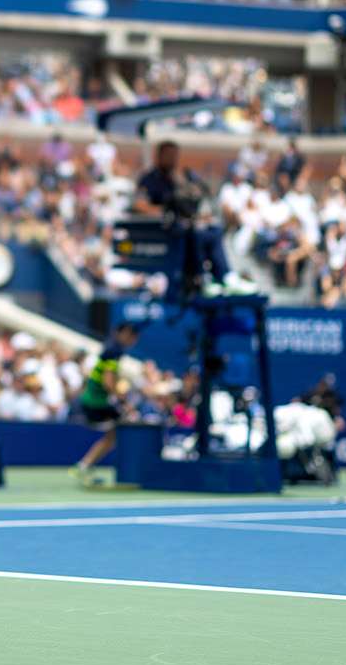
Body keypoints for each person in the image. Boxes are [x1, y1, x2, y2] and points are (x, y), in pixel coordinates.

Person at [132, 140, 257, 297]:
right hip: (163, 232)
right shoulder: (149, 179)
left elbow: (184, 205)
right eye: (169, 155)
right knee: (196, 235)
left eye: (175, 156)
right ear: (159, 156)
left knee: (213, 230)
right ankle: (203, 278)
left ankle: (222, 277)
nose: (172, 159)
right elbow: (139, 204)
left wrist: (196, 217)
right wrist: (165, 212)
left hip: (182, 226)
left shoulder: (177, 178)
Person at [72, 323, 134, 485]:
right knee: (128, 423)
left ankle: (84, 466)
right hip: (95, 403)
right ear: (125, 333)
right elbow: (108, 382)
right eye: (133, 336)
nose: (135, 340)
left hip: (94, 401)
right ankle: (129, 469)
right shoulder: (114, 351)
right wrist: (122, 400)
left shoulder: (112, 348)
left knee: (114, 434)